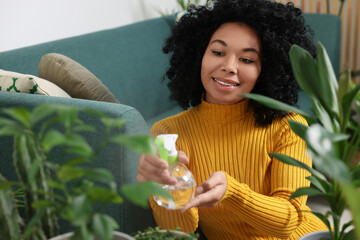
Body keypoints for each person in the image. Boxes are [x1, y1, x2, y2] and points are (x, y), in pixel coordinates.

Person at [137, 0, 328, 239]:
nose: (229, 67)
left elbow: (289, 222)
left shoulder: (287, 126)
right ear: (199, 56)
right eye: (218, 52)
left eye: (247, 60)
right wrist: (164, 187)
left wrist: (233, 192)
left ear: (265, 71)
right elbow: (180, 230)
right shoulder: (169, 131)